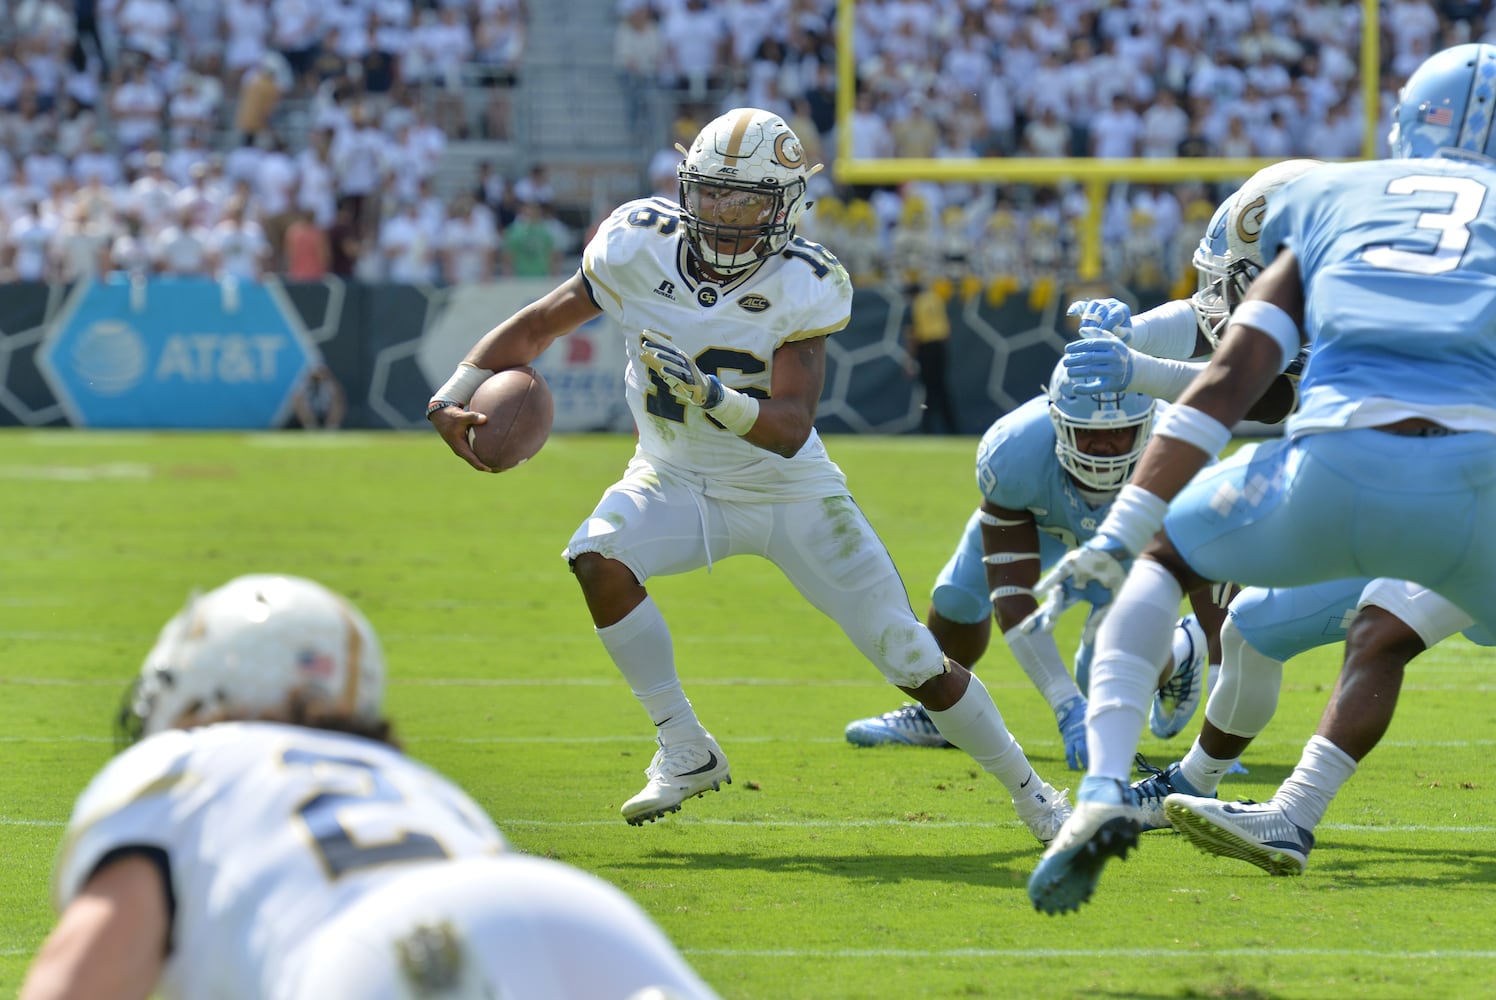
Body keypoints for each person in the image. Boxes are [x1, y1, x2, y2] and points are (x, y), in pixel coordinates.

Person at [427, 108, 1072, 845]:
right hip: (673, 476)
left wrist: (710, 395)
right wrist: (455, 389)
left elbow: (791, 427)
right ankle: (685, 746)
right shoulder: (638, 242)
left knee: (908, 652)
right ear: (685, 187)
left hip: (789, 492)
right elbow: (540, 325)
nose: (725, 216)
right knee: (596, 559)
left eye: (746, 201)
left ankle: (1034, 794)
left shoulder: (809, 282)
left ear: (787, 206)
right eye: (712, 195)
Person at [1024, 43, 1496, 915]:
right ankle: (1227, 791)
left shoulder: (1335, 195)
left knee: (1165, 563)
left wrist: (1124, 533)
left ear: (1405, 125)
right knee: (1318, 630)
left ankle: (1098, 792)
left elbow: (1232, 380)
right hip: (1480, 488)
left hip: (1335, 465)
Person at [20, 574, 721, 1000]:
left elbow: (89, 967)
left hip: (387, 945)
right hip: (580, 913)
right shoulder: (418, 785)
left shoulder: (181, 769)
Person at [843, 359, 1217, 771]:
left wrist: (1214, 737)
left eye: (1119, 431)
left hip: (1135, 534)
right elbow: (1012, 596)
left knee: (1107, 671)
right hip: (1043, 521)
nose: (1104, 447)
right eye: (1088, 433)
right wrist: (1065, 706)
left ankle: (1183, 648)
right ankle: (936, 714)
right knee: (957, 598)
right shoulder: (1016, 451)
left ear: (1147, 425)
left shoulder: (1186, 455)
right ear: (1057, 420)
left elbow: (1216, 601)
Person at [902, 279, 960, 435]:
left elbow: (912, 335)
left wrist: (909, 360)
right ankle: (951, 427)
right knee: (940, 387)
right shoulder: (935, 298)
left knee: (929, 387)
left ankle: (927, 427)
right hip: (940, 347)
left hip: (926, 347)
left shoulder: (916, 304)